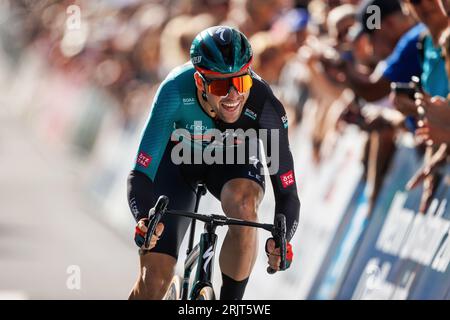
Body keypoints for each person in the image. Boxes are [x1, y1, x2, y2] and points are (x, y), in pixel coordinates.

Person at [127, 26, 300, 300]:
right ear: (200, 82)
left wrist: (282, 241)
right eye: (221, 85)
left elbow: (288, 192)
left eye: (241, 83)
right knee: (153, 283)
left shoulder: (265, 104)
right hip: (178, 163)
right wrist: (145, 221)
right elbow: (141, 174)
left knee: (244, 208)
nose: (233, 95)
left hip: (233, 163)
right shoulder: (174, 90)